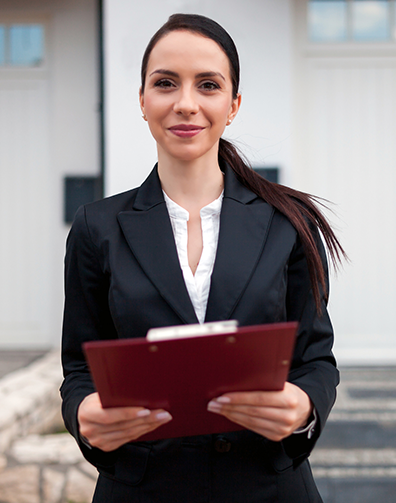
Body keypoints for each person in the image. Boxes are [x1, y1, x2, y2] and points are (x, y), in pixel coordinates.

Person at [61, 13, 345, 503]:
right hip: (142, 488)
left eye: (208, 85)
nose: (185, 104)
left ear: (233, 105)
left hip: (268, 487)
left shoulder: (289, 221)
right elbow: (79, 369)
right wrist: (84, 413)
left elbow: (315, 360)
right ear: (143, 101)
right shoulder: (96, 227)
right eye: (166, 83)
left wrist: (302, 406)